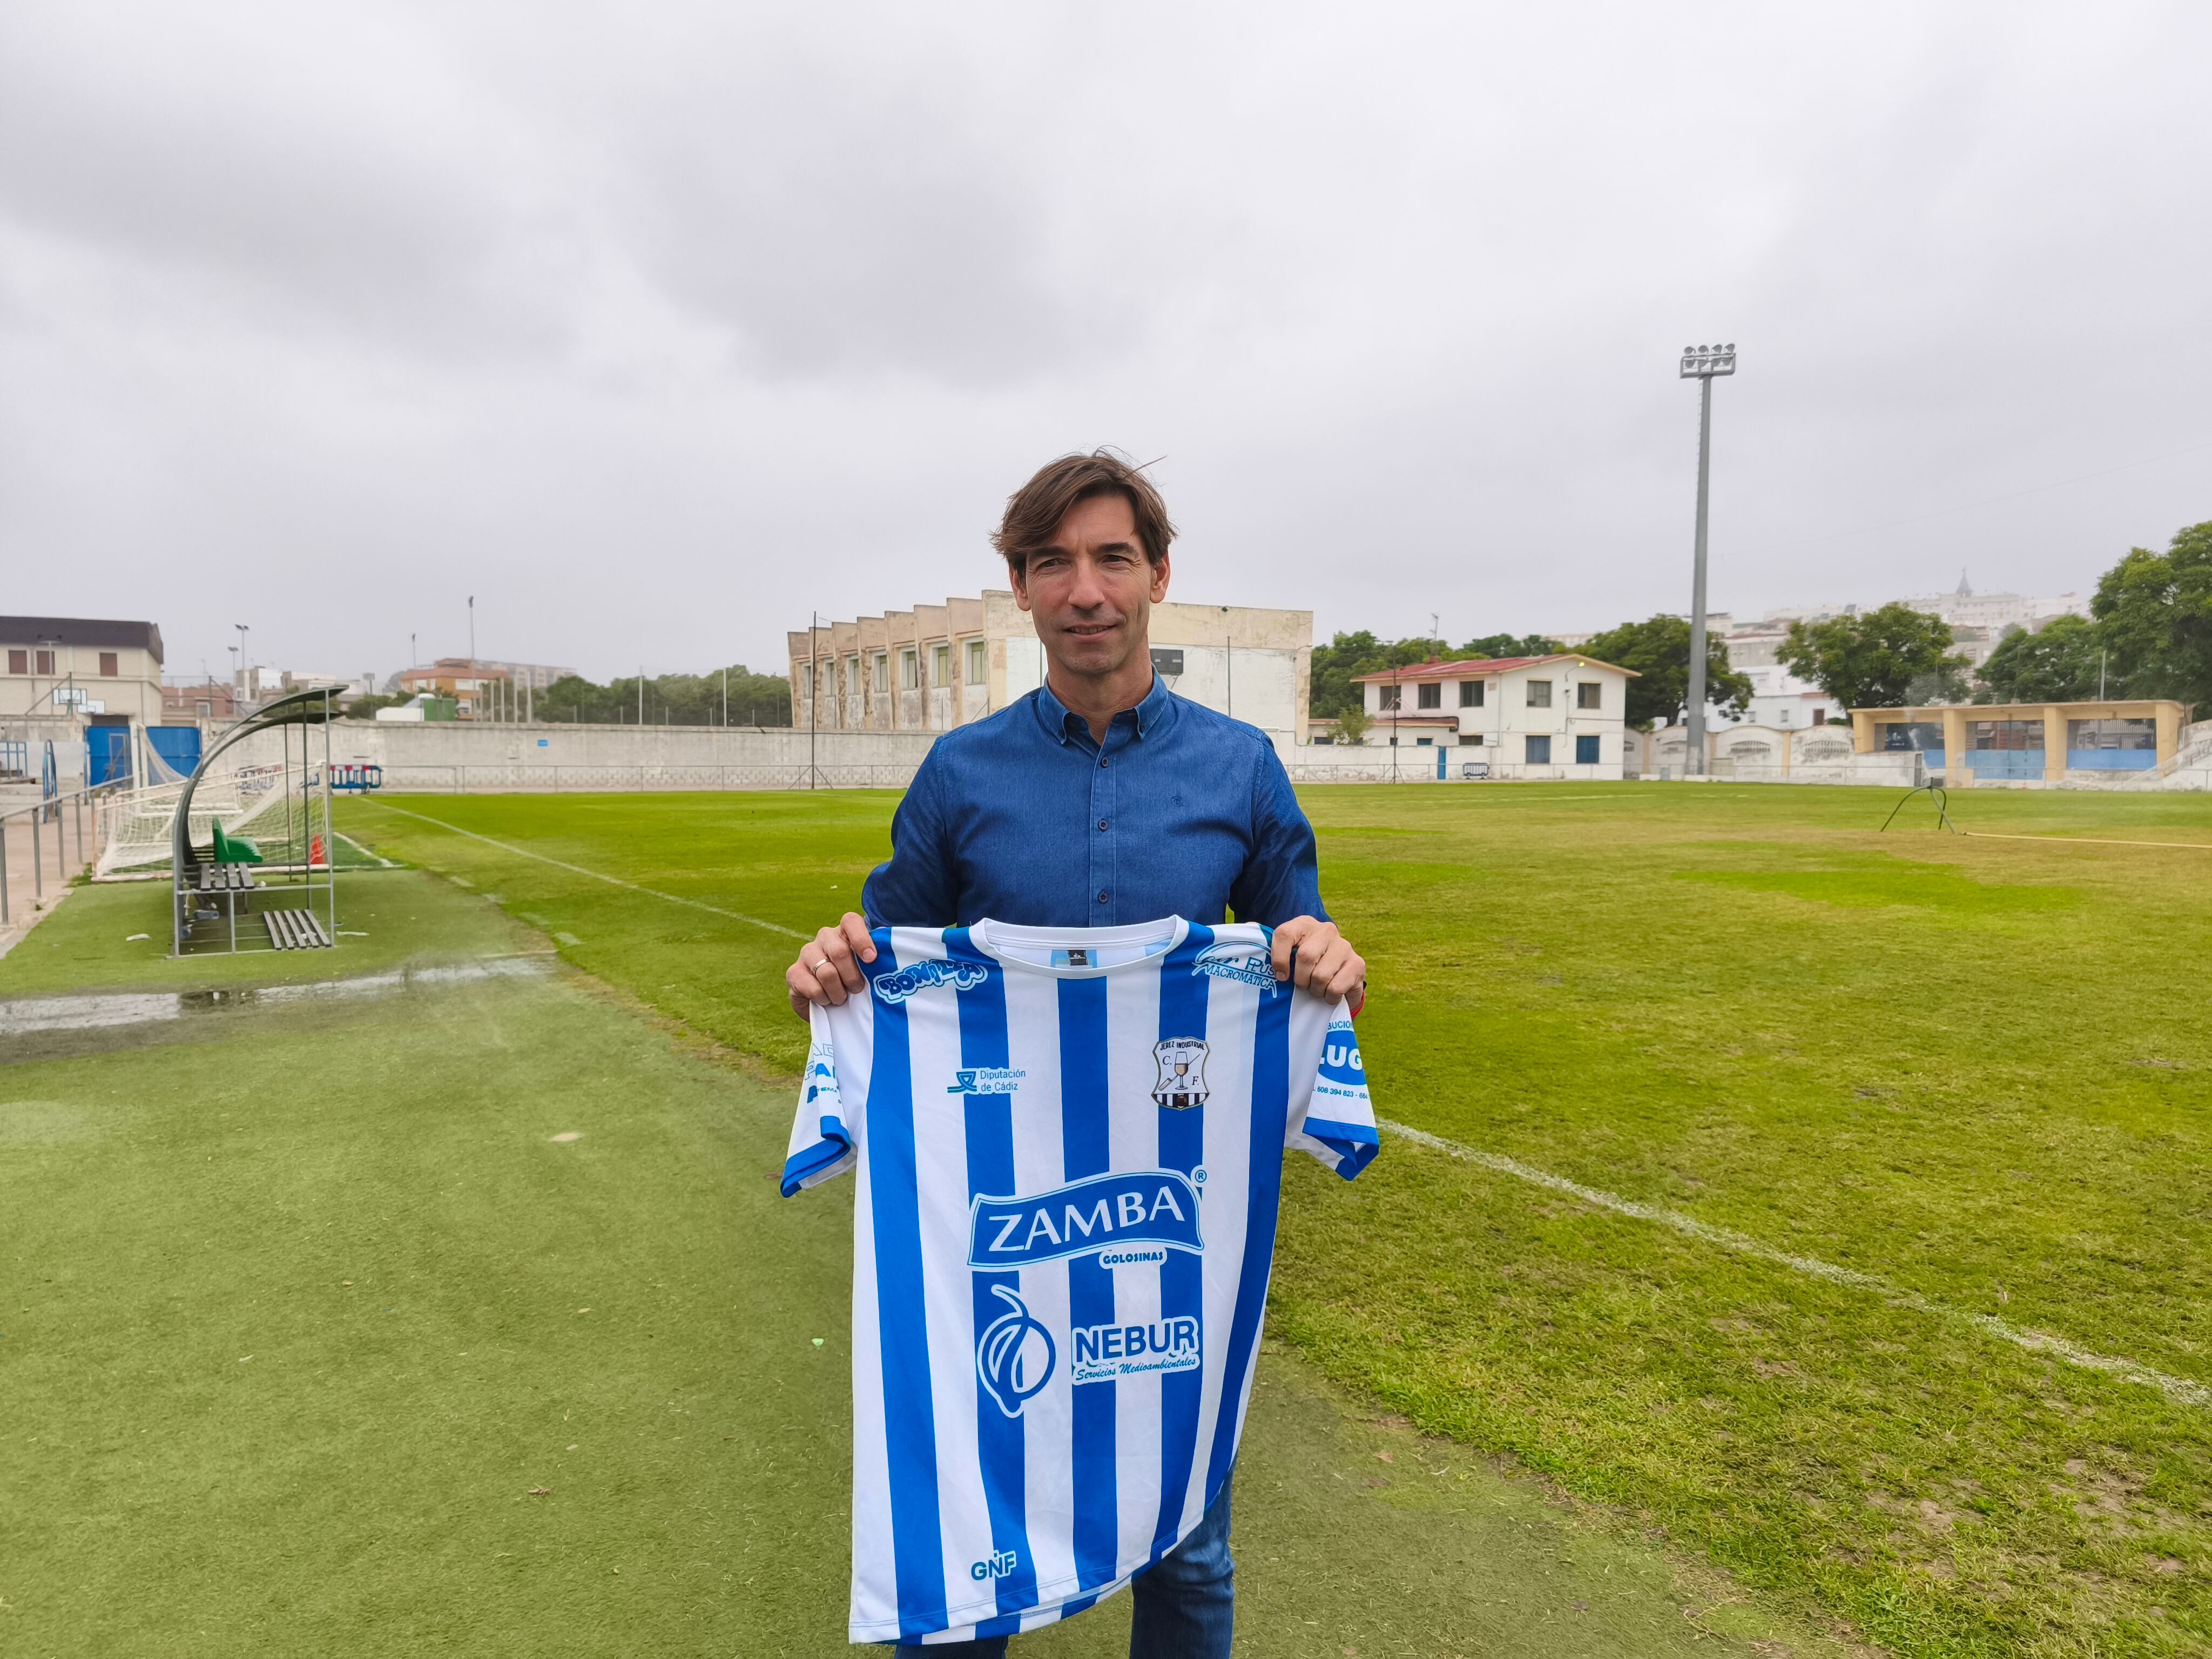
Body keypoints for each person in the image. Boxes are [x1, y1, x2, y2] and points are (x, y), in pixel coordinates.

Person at [786, 448, 1366, 1658]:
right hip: (995, 1221)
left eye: (1111, 558)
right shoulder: (960, 772)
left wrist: (1318, 955)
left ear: (1158, 575)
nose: (1085, 590)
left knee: (1189, 1540)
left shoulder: (1239, 767)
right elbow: (888, 954)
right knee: (971, 1509)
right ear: (1020, 587)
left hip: (1171, 1223)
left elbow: (1289, 935)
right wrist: (833, 968)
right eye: (1053, 563)